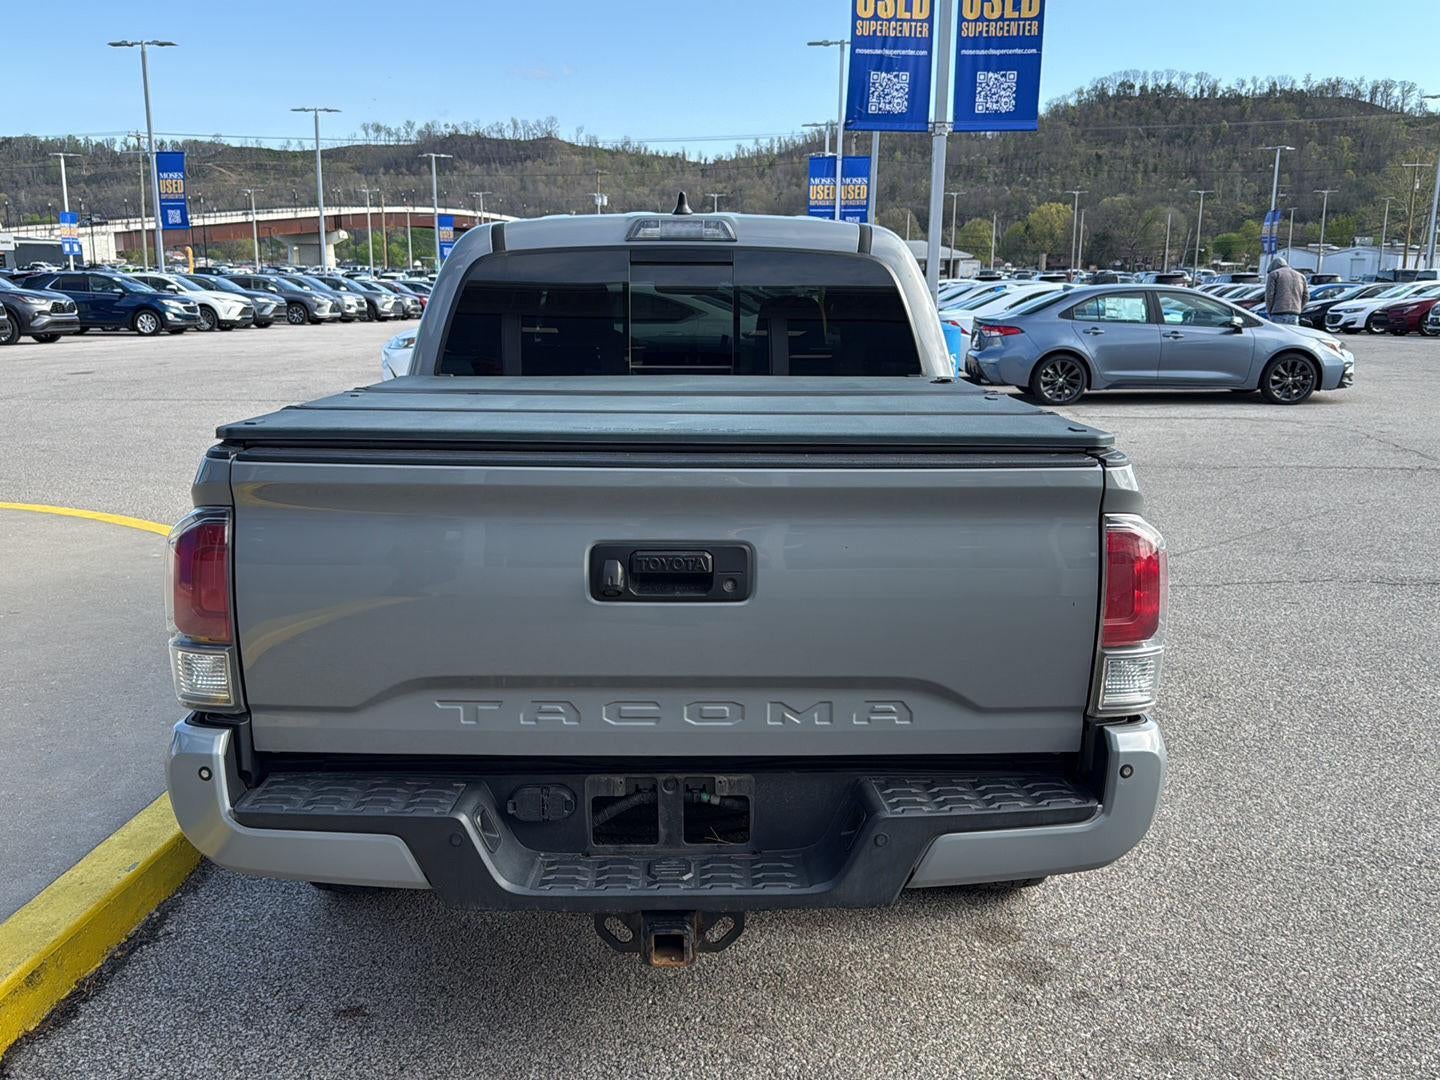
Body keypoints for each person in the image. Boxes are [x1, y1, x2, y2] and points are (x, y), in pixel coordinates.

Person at [1265, 256, 1308, 325]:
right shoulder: (1301, 276)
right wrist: (1299, 308)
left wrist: (1269, 311)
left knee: (1277, 335)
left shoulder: (1274, 274)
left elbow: (1269, 295)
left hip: (1278, 313)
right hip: (1295, 314)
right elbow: (1306, 297)